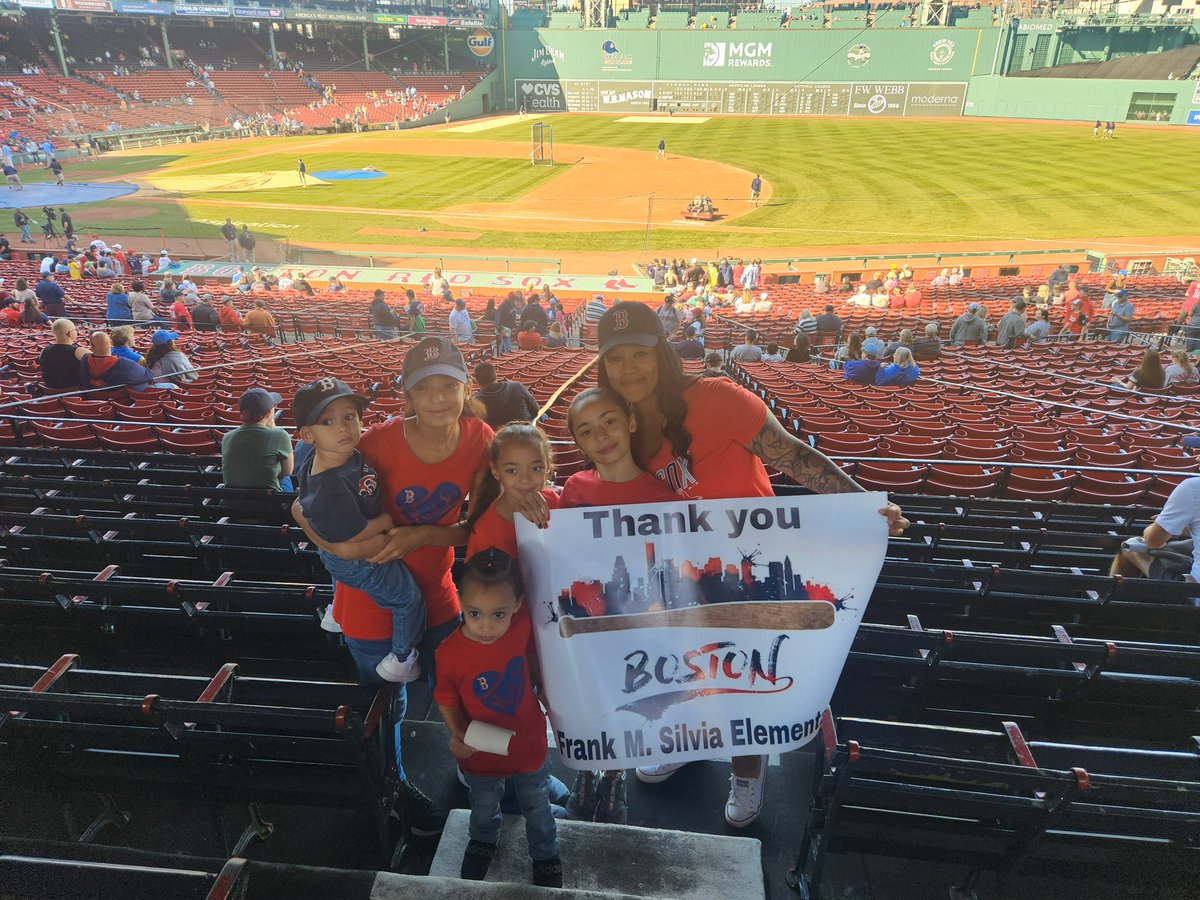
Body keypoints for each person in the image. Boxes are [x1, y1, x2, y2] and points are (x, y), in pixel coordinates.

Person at [594, 302, 907, 827]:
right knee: (685, 662)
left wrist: (861, 503)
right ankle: (685, 741)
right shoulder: (618, 424)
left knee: (748, 670)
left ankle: (747, 771)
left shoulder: (716, 396)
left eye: (640, 355)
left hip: (748, 567)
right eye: (617, 358)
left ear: (662, 352)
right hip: (679, 574)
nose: (629, 369)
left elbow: (791, 456)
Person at [292, 337, 495, 838]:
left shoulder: (479, 437)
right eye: (425, 387)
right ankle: (396, 784)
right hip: (370, 603)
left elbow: (480, 525)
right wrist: (335, 548)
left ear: (466, 388)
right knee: (387, 704)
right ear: (406, 394)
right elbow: (305, 501)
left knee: (464, 689)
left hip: (439, 590)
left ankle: (483, 768)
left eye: (449, 384)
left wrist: (424, 535)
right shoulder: (375, 442)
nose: (439, 397)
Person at [557, 387, 678, 824]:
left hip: (641, 623)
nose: (601, 436)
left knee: (629, 697)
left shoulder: (663, 494)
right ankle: (587, 772)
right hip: (592, 622)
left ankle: (616, 775)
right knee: (592, 698)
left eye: (609, 421)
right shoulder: (574, 487)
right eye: (586, 431)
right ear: (578, 443)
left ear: (630, 421)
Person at [433, 550, 562, 888]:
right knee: (484, 804)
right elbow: (445, 698)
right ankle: (483, 840)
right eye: (475, 613)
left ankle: (546, 852)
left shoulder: (520, 628)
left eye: (498, 614)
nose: (486, 625)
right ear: (460, 600)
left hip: (528, 742)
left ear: (518, 604)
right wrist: (457, 733)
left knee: (537, 805)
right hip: (481, 751)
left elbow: (533, 654)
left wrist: (544, 686)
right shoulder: (448, 653)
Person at [293, 378, 425, 683]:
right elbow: (351, 537)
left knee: (338, 571)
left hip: (337, 561)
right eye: (327, 421)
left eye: (349, 417)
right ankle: (403, 658)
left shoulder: (334, 455)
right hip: (356, 561)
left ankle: (336, 612)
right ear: (308, 435)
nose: (342, 427)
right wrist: (385, 523)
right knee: (408, 599)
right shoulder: (331, 483)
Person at [464, 422, 557, 561]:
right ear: (495, 471)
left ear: (548, 465)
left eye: (536, 468)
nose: (525, 480)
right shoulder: (485, 532)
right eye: (512, 471)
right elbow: (478, 581)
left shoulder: (556, 504)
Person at [1110, 476, 1200, 582]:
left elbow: (1153, 541)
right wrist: (1180, 526)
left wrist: (1155, 526)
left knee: (1130, 547)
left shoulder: (1192, 487)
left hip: (1194, 591)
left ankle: (1112, 595)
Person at [221, 388, 294, 492]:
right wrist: (273, 429)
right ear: (269, 413)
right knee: (284, 478)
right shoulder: (280, 435)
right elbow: (287, 471)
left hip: (231, 501)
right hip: (268, 503)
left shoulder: (227, 437)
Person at [472, 362, 537, 429]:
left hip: (498, 437)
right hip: (526, 433)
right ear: (496, 375)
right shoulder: (516, 386)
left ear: (477, 382)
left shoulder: (476, 401)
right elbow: (535, 409)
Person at [80, 331, 153, 391]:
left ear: (91, 346)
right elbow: (149, 375)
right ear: (110, 344)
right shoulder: (125, 364)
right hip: (122, 402)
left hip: (92, 400)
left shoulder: (84, 360)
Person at [39, 318, 87, 389]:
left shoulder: (44, 350)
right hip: (75, 393)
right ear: (70, 333)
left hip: (50, 391)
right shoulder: (80, 352)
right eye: (75, 330)